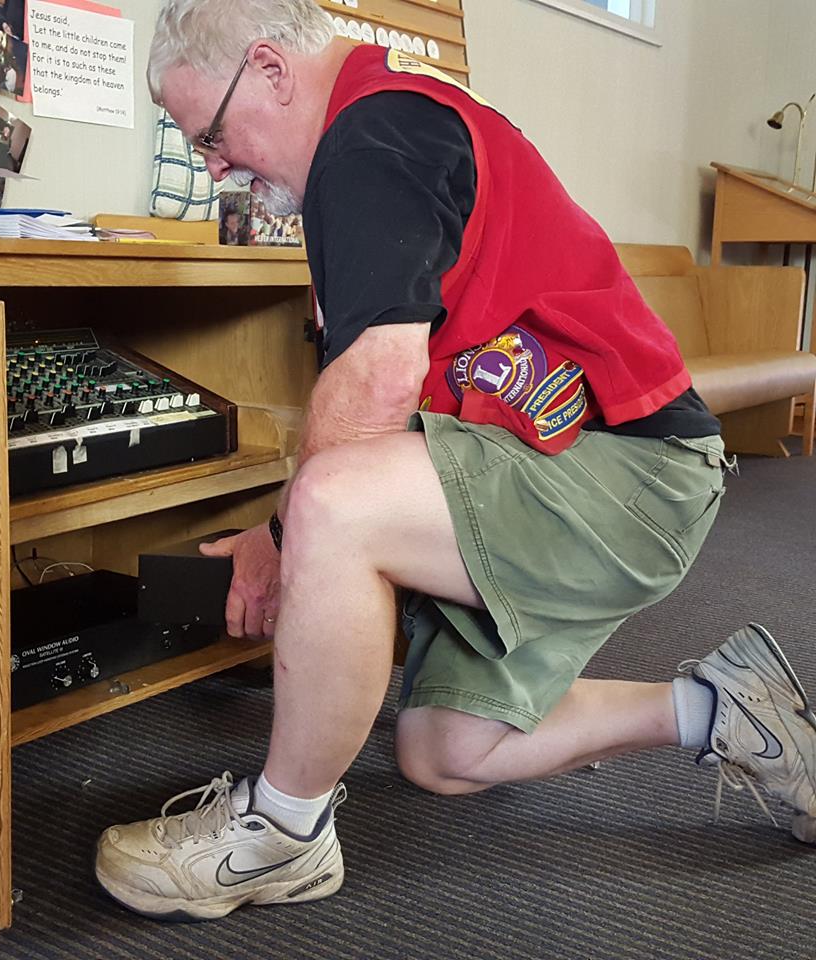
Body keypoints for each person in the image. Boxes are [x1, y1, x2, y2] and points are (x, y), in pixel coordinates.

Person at [95, 0, 816, 923]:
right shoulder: (390, 122)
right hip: (577, 464)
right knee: (443, 751)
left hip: (630, 471)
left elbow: (379, 385)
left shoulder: (368, 140)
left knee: (334, 500)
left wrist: (289, 542)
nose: (216, 165)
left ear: (272, 72)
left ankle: (280, 835)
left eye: (213, 134)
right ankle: (719, 710)